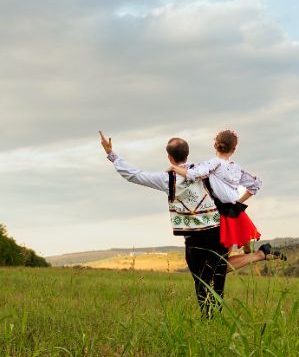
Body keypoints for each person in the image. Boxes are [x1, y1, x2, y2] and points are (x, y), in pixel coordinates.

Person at [100, 131, 283, 316]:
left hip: (193, 237)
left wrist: (111, 154)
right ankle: (258, 258)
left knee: (202, 280)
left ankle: (209, 319)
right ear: (187, 154)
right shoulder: (205, 170)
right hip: (217, 229)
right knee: (219, 272)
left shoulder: (168, 178)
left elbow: (133, 175)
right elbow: (234, 180)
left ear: (169, 157)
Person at [170, 129, 284, 261]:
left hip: (222, 212)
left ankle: (256, 254)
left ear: (215, 145)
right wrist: (238, 202)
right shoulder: (237, 168)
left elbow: (195, 174)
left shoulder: (213, 163)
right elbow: (254, 185)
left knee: (223, 259)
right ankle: (256, 253)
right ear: (234, 149)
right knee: (240, 244)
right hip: (235, 210)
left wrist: (174, 168)